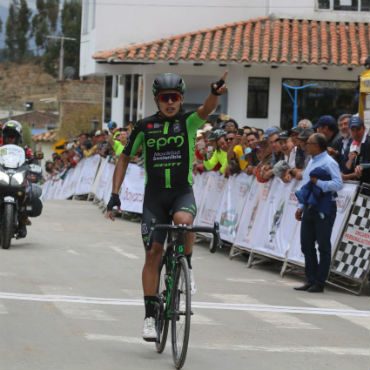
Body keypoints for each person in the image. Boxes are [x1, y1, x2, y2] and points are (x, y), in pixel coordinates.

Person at [106, 72, 227, 341]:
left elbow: (207, 108)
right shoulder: (144, 127)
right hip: (154, 198)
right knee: (153, 253)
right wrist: (115, 195)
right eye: (164, 98)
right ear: (156, 100)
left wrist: (215, 93)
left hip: (181, 193)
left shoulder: (189, 122)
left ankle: (188, 264)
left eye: (174, 98)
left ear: (181, 99)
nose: (170, 103)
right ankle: (150, 317)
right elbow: (125, 158)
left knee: (184, 221)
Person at [294, 133, 343, 293]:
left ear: (317, 145)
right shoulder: (311, 161)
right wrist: (301, 206)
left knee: (323, 245)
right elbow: (307, 184)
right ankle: (311, 278)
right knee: (306, 244)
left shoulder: (329, 162)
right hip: (309, 205)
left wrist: (319, 183)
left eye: (309, 143)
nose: (306, 146)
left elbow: (338, 184)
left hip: (325, 206)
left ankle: (320, 282)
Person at [1, 121, 43, 238]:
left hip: (17, 178)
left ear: (17, 138)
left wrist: (34, 164)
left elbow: (32, 160)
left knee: (29, 192)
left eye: (12, 136)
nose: (10, 138)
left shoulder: (24, 151)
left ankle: (22, 219)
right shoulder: (1, 150)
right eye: (8, 135)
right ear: (4, 136)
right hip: (3, 177)